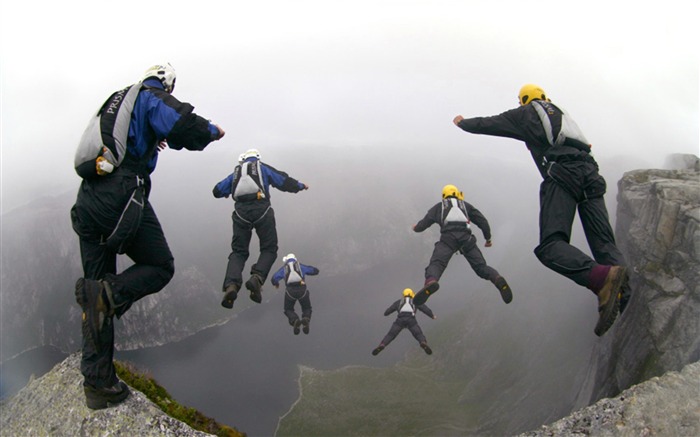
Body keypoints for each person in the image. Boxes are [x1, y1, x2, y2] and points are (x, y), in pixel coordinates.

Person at [70, 62, 225, 409]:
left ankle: (98, 385)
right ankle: (108, 295)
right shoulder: (150, 95)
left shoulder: (117, 102)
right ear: (167, 82)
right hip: (120, 195)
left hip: (88, 199)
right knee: (160, 265)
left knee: (95, 285)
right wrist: (213, 131)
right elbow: (183, 124)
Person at [453, 83, 629, 336]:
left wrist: (462, 122)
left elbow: (488, 123)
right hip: (591, 174)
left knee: (551, 246)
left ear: (524, 100)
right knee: (605, 245)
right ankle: (623, 298)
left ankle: (601, 279)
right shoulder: (563, 114)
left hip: (562, 173)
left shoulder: (525, 113)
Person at [213, 149, 308, 308]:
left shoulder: (235, 174)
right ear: (257, 158)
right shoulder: (262, 168)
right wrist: (300, 186)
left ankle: (231, 285)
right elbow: (283, 181)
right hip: (262, 212)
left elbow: (216, 191)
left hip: (241, 214)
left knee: (239, 252)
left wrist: (227, 191)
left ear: (242, 161)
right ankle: (257, 278)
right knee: (269, 249)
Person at [412, 184, 513, 305]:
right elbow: (483, 221)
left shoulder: (439, 207)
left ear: (444, 196)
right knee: (481, 267)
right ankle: (497, 278)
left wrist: (415, 228)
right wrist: (488, 239)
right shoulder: (466, 206)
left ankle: (431, 282)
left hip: (448, 240)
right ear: (457, 194)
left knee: (437, 264)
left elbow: (423, 224)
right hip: (467, 240)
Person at [372, 288, 435, 356]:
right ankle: (423, 342)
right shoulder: (416, 301)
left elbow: (387, 312)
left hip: (400, 320)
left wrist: (386, 313)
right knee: (418, 334)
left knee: (391, 335)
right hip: (411, 320)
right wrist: (432, 316)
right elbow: (425, 309)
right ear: (412, 294)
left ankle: (382, 344)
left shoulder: (399, 302)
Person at [271, 253, 320, 335]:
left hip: (290, 292)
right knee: (307, 308)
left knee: (288, 309)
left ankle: (294, 320)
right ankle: (306, 319)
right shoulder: (300, 266)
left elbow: (273, 279)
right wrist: (315, 270)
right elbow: (314, 271)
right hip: (302, 291)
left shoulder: (284, 269)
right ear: (295, 259)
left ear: (286, 261)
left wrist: (276, 284)